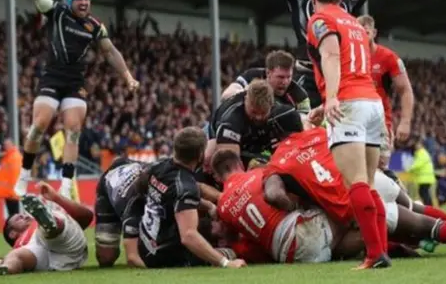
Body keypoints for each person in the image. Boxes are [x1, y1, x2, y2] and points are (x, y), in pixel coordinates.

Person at [262, 128, 446, 256]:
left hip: (356, 202)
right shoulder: (318, 133)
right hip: (372, 179)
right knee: (417, 209)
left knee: (420, 227)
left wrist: (298, 207)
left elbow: (274, 194)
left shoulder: (277, 163)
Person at [15, 0, 139, 199]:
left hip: (75, 82)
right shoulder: (57, 12)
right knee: (39, 126)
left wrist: (127, 76)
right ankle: (24, 174)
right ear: (71, 1)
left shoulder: (95, 26)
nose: (84, 3)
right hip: (52, 77)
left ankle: (66, 184)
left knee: (73, 129)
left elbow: (110, 52)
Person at [306, 0, 389, 269]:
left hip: (349, 102)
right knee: (368, 183)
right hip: (371, 102)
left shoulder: (320, 19)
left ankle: (374, 254)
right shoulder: (354, 22)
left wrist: (331, 97)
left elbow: (330, 55)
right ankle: (381, 251)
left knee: (355, 183)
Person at [137, 127, 246, 269]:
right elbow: (188, 236)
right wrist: (226, 263)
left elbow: (164, 195)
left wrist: (208, 206)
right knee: (232, 252)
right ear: (200, 154)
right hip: (163, 257)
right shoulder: (186, 186)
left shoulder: (159, 166)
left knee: (206, 227)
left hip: (145, 247)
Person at [213, 150, 342, 264]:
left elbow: (234, 239)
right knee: (344, 215)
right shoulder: (260, 173)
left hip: (283, 255)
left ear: (218, 177)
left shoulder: (222, 206)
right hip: (298, 233)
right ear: (240, 163)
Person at [0, 182, 93, 275]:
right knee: (15, 256)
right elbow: (2, 260)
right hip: (53, 261)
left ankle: (52, 225)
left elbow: (87, 217)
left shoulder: (35, 225)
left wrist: (56, 197)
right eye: (19, 218)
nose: (26, 216)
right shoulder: (20, 248)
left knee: (46, 229)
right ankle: (2, 270)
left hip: (66, 245)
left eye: (24, 214)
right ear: (12, 233)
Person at [205, 79, 303, 171]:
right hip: (215, 136)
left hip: (255, 143)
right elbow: (231, 170)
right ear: (246, 101)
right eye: (254, 112)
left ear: (272, 106)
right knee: (208, 156)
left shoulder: (285, 112)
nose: (258, 117)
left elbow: (303, 145)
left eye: (263, 113)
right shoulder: (231, 121)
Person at [357, 15, 414, 169]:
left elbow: (405, 90)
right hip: (355, 122)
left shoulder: (388, 58)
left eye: (366, 32)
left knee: (380, 168)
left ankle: (397, 192)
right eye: (358, 32)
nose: (362, 35)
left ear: (374, 33)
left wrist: (405, 121)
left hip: (380, 123)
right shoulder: (350, 56)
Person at [94, 157, 151, 267]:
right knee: (106, 257)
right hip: (110, 184)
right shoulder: (133, 204)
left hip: (136, 169)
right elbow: (132, 258)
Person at [221, 50, 310, 114]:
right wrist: (249, 94)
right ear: (268, 73)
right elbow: (226, 95)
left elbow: (305, 122)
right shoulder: (252, 75)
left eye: (289, 77)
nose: (285, 82)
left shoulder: (300, 96)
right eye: (280, 77)